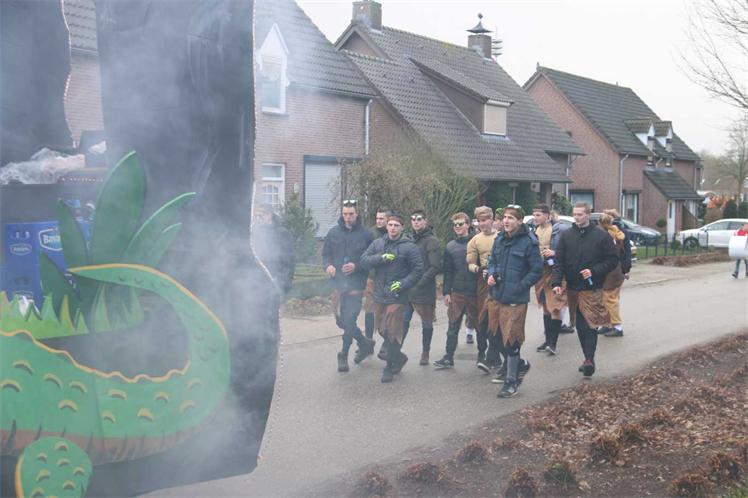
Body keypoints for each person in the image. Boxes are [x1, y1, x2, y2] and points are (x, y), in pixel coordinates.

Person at [551, 202, 620, 378]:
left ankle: (589, 359)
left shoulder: (601, 236)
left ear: (588, 215)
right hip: (573, 288)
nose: (576, 217)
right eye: (574, 214)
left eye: (580, 214)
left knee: (591, 324)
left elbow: (612, 259)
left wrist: (594, 271)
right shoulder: (566, 235)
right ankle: (588, 358)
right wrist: (556, 282)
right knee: (580, 325)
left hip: (592, 288)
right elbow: (559, 262)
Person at [486, 205, 543, 397]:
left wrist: (521, 285)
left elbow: (537, 270)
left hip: (516, 299)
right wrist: (492, 274)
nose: (506, 221)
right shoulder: (499, 239)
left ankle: (511, 383)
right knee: (494, 336)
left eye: (511, 218)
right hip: (497, 295)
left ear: (519, 221)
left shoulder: (529, 242)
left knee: (512, 340)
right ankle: (519, 364)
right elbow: (492, 261)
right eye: (505, 217)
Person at [360, 212, 424, 383]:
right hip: (379, 294)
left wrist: (402, 284)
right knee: (382, 330)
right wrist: (380, 258)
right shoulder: (378, 243)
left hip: (397, 296)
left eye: (396, 225)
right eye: (390, 225)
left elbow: (418, 270)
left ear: (402, 227)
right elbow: (364, 260)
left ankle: (388, 368)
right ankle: (400, 357)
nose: (393, 228)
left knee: (391, 331)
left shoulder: (409, 247)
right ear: (386, 226)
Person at [322, 200, 376, 373]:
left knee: (349, 320)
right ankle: (365, 343)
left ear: (356, 214)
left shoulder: (367, 234)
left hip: (356, 285)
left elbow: (372, 259)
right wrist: (328, 266)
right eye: (345, 214)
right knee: (341, 321)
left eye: (351, 214)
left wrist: (356, 266)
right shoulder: (333, 232)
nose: (348, 217)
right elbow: (325, 255)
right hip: (338, 285)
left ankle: (343, 354)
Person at [434, 212, 479, 369]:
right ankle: (448, 357)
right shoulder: (450, 246)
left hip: (475, 292)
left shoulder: (477, 242)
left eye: (460, 224)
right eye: (455, 225)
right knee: (452, 327)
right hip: (457, 292)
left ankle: (483, 357)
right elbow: (448, 271)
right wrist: (446, 292)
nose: (457, 227)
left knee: (480, 327)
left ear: (468, 224)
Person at [403, 210, 441, 365]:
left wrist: (419, 282)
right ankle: (395, 350)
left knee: (427, 324)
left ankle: (425, 352)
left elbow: (435, 266)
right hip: (408, 288)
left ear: (425, 221)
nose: (416, 222)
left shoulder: (432, 241)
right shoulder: (408, 239)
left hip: (424, 290)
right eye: (413, 219)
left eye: (419, 219)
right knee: (403, 320)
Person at [530, 204, 569, 355]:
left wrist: (554, 253)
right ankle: (547, 341)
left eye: (538, 215)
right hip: (540, 273)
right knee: (546, 307)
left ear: (547, 216)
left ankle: (553, 343)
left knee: (556, 306)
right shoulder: (534, 231)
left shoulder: (559, 230)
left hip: (556, 273)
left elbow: (569, 250)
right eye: (534, 214)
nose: (535, 217)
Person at [467, 206, 502, 373]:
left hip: (500, 281)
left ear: (492, 220)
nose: (482, 224)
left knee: (497, 319)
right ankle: (482, 353)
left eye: (485, 220)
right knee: (482, 319)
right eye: (479, 221)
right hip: (482, 283)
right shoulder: (474, 240)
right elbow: (470, 263)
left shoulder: (501, 237)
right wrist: (478, 269)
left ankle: (495, 355)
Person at [598, 211, 632, 337]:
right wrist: (626, 269)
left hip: (611, 272)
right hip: (616, 270)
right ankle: (608, 324)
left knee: (610, 299)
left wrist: (625, 269)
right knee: (607, 299)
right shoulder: (619, 232)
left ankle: (617, 327)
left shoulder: (606, 234)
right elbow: (627, 251)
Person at [252, 204, 296, 296]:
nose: (258, 219)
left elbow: (289, 261)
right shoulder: (254, 234)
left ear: (269, 215)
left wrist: (282, 283)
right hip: (256, 284)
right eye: (256, 216)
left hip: (275, 283)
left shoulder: (283, 234)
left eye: (261, 215)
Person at [365, 208, 389, 342]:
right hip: (372, 277)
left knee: (385, 311)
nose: (378, 221)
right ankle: (368, 340)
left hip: (388, 279)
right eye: (377, 218)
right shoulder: (370, 233)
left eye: (381, 219)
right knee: (369, 309)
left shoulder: (393, 232)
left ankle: (387, 342)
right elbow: (365, 255)